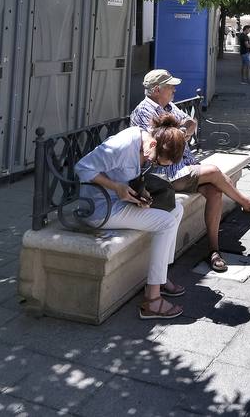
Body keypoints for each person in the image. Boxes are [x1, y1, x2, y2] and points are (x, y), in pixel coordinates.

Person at [130, 69, 250, 275]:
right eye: (170, 86)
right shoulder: (144, 111)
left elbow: (191, 122)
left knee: (215, 192)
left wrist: (181, 132)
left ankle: (214, 251)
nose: (174, 89)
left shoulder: (168, 106)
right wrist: (181, 134)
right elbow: (160, 145)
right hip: (163, 174)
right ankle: (248, 204)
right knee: (214, 171)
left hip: (182, 167)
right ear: (156, 89)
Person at [75, 110, 188, 318]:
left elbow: (130, 175)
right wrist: (116, 187)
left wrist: (141, 192)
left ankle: (160, 278)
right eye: (156, 161)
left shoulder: (146, 143)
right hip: (99, 208)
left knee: (176, 208)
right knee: (166, 223)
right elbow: (82, 167)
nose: (151, 163)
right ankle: (152, 300)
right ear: (153, 144)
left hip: (116, 202)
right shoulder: (123, 145)